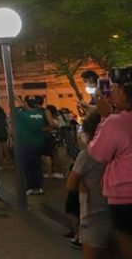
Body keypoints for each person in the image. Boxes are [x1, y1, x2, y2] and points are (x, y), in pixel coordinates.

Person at [88, 66, 132, 259]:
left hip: (125, 196)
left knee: (127, 243)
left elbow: (98, 153)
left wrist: (105, 117)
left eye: (115, 87)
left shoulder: (115, 122)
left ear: (125, 92)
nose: (111, 90)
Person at [68, 111, 109, 255]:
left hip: (95, 214)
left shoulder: (88, 155)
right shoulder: (122, 151)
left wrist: (81, 184)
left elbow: (71, 183)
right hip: (120, 210)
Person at [15, 96, 48, 196]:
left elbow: (14, 110)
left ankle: (31, 187)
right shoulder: (40, 114)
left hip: (26, 144)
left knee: (28, 167)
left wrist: (18, 101)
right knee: (37, 166)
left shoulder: (21, 114)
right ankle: (39, 187)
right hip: (38, 143)